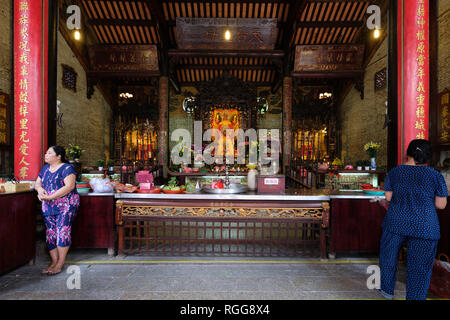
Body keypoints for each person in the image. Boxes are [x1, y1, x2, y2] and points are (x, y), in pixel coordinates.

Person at [377, 139, 448, 300]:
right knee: (420, 267)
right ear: (428, 156)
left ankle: (387, 290)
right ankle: (415, 297)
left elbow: (388, 196)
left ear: (407, 153)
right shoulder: (435, 175)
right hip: (425, 225)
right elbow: (441, 204)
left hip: (396, 221)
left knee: (388, 257)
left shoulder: (395, 172)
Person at [34, 146, 80, 275]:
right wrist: (40, 190)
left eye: (49, 153)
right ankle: (53, 262)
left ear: (58, 156)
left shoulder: (66, 168)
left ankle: (60, 264)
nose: (46, 155)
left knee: (62, 231)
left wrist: (50, 197)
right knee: (51, 233)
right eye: (46, 152)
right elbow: (38, 183)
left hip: (66, 205)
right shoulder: (45, 169)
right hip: (48, 205)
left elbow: (69, 186)